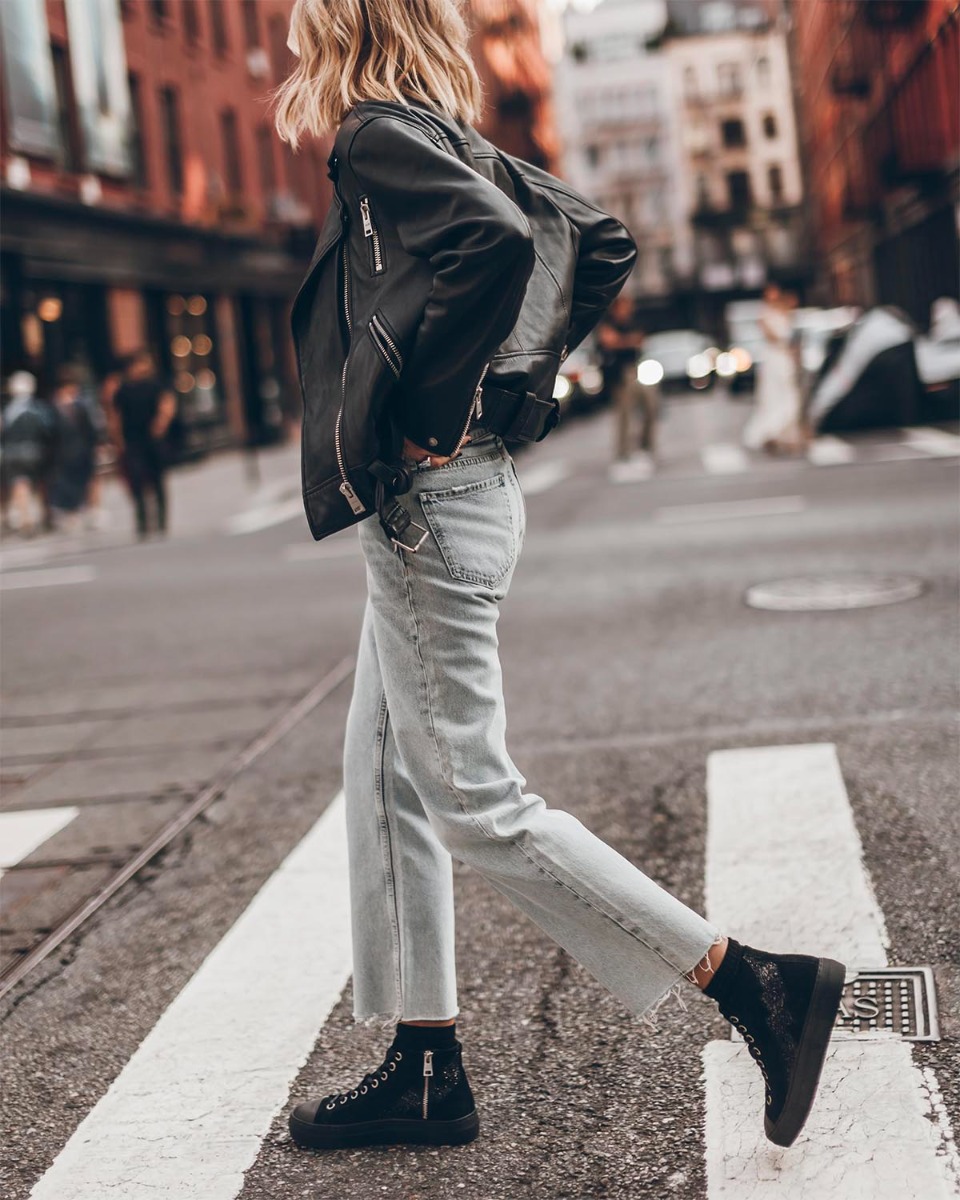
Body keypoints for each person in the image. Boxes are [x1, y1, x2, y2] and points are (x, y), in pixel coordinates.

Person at [276, 0, 845, 1157]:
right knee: (385, 774)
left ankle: (756, 987)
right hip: (460, 499)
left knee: (477, 805)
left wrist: (439, 415)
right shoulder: (441, 130)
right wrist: (513, 401)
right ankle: (424, 1064)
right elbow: (601, 241)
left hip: (432, 508)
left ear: (333, 24)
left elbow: (497, 243)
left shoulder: (379, 135)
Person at [110, 350, 176, 539]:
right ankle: (143, 522)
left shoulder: (155, 385)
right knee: (138, 482)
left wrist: (160, 424)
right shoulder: (123, 390)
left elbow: (167, 404)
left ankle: (161, 521)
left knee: (158, 481)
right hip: (133, 441)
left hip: (152, 440)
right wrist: (118, 440)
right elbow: (116, 417)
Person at [597, 294, 657, 477]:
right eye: (625, 306)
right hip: (620, 375)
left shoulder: (633, 323)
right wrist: (628, 341)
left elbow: (641, 339)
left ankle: (645, 449)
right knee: (624, 415)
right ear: (617, 308)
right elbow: (609, 341)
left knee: (651, 407)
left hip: (638, 370)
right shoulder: (608, 323)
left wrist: (625, 341)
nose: (628, 309)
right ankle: (623, 455)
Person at [742, 284, 806, 454]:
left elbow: (793, 337)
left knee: (790, 395)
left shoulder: (785, 312)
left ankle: (785, 436)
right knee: (774, 396)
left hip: (784, 358)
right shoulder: (764, 314)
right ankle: (772, 433)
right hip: (773, 358)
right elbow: (771, 336)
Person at [0, 370, 59, 537]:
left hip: (13, 453)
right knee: (39, 484)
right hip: (36, 451)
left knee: (20, 484)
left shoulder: (8, 411)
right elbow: (48, 430)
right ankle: (43, 515)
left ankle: (26, 519)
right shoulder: (38, 409)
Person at [49, 364, 99, 530]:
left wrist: (96, 445)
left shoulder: (82, 406)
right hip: (64, 453)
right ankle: (72, 513)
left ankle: (91, 511)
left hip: (82, 450)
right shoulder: (53, 407)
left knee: (87, 479)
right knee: (68, 484)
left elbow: (90, 429)